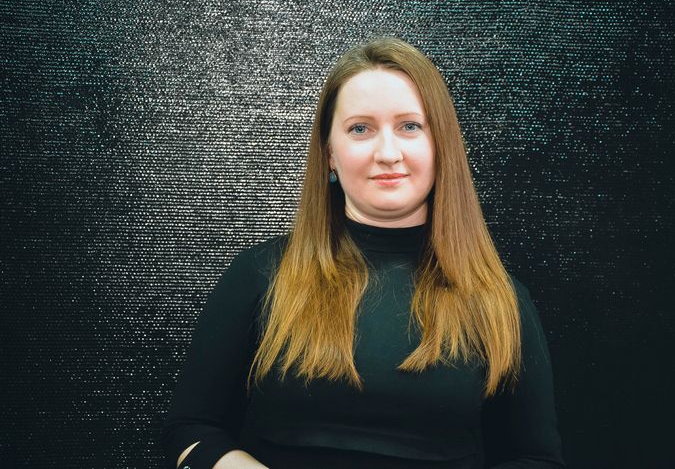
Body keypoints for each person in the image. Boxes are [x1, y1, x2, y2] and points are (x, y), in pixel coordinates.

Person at [162, 38, 565, 469]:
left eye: (410, 126)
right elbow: (190, 429)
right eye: (360, 129)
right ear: (330, 154)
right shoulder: (259, 275)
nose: (388, 153)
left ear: (441, 144)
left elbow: (536, 459)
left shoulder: (501, 301)